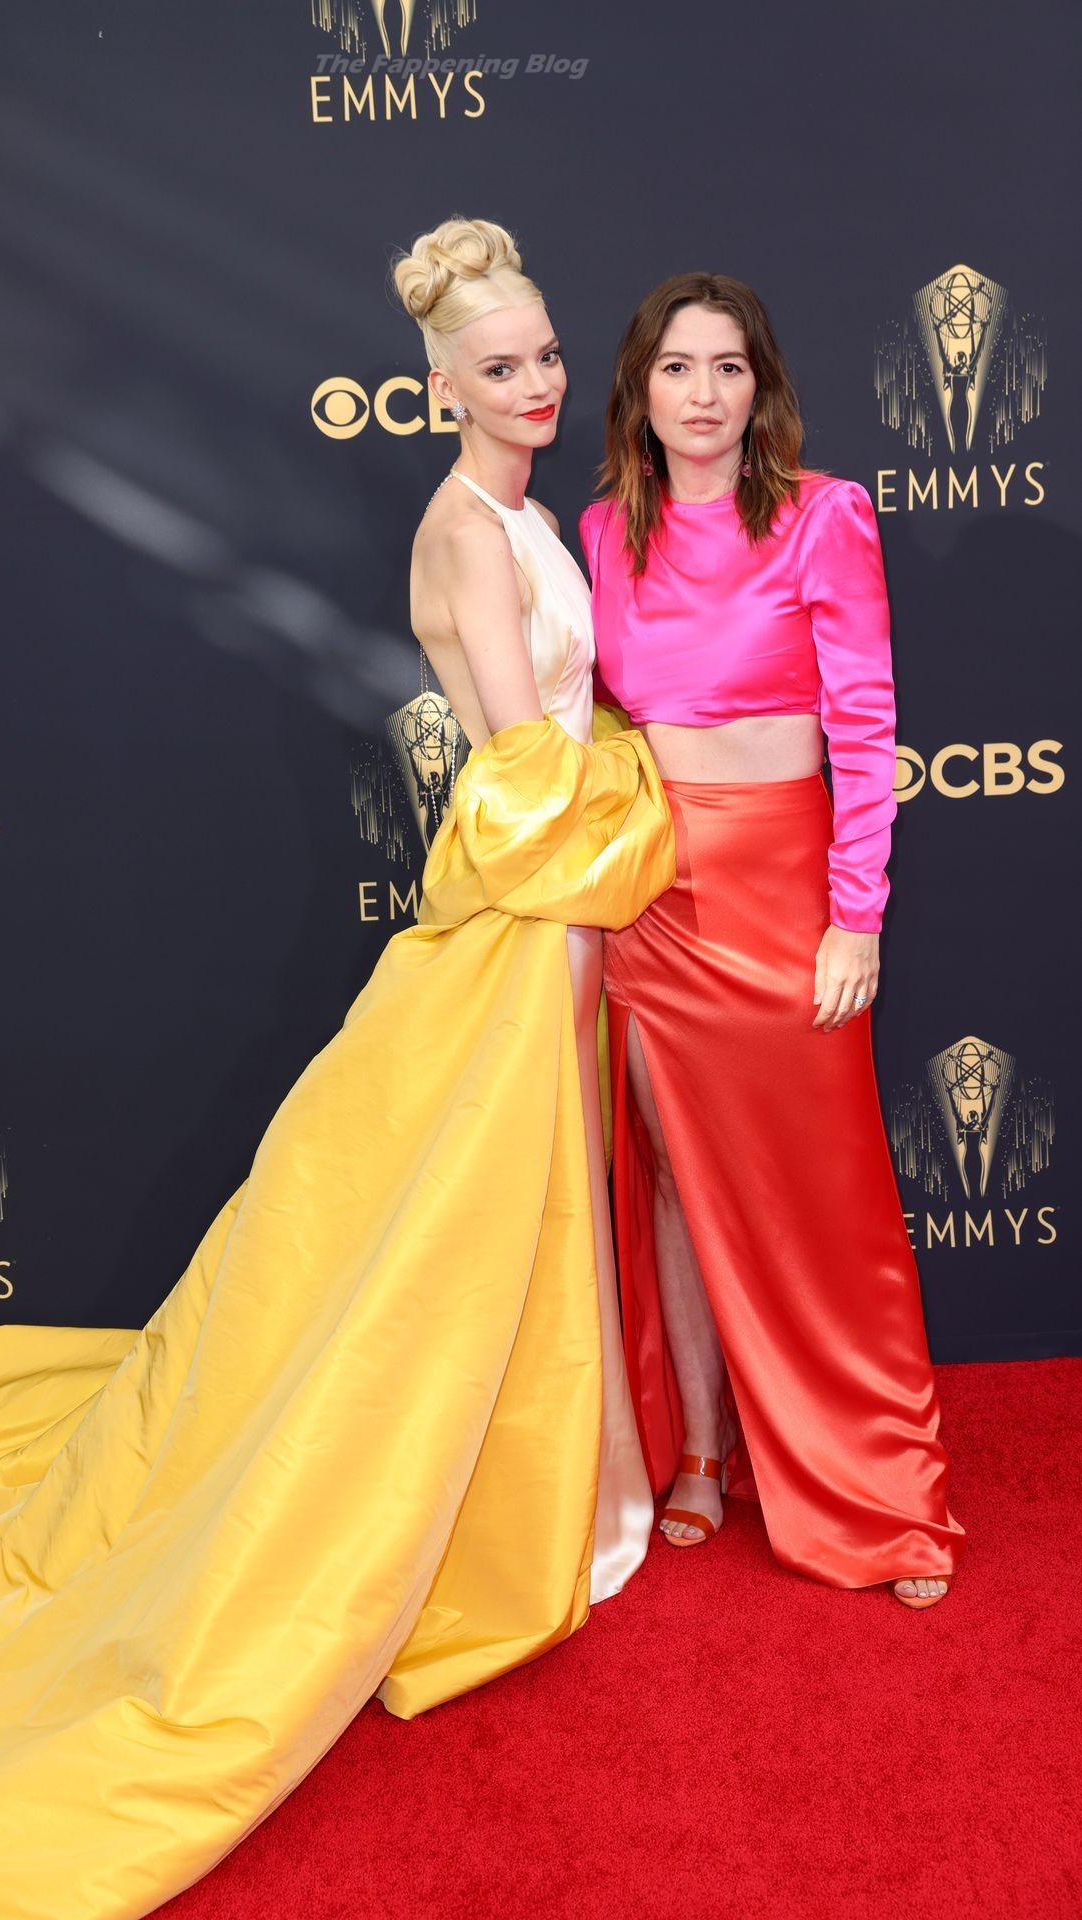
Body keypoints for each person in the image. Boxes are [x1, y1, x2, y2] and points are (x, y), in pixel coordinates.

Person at [0, 221, 674, 1919]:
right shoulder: (462, 531)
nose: (537, 386)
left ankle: (549, 1492)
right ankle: (475, 1530)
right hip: (524, 919)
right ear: (437, 386)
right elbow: (517, 785)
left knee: (525, 1224)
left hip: (562, 912)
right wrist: (666, 813)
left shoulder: (531, 518)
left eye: (549, 357)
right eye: (500, 369)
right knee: (468, 1241)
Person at [579, 272, 964, 1610]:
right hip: (654, 902)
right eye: (676, 367)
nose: (702, 394)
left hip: (787, 890)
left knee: (831, 1201)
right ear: (639, 390)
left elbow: (864, 721)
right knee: (674, 1184)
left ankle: (882, 1487)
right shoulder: (600, 531)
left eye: (727, 368)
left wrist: (855, 914)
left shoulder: (822, 515)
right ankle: (700, 1444)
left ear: (763, 387)